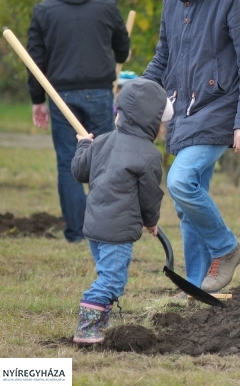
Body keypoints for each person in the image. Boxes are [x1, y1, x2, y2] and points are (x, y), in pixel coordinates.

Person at [142, 0, 240, 294]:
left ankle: (226, 248)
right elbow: (163, 58)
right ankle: (198, 288)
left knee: (181, 182)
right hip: (183, 113)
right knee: (187, 205)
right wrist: (137, 95)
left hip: (220, 109)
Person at [27, 0, 131, 243]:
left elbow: (34, 59)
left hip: (60, 96)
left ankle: (76, 233)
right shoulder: (106, 4)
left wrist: (37, 99)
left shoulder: (43, 10)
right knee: (104, 161)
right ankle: (104, 228)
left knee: (68, 162)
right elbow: (122, 48)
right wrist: (116, 56)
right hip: (99, 91)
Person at [70, 78, 173, 344]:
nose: (163, 128)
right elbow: (150, 195)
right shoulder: (148, 154)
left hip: (94, 227)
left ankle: (99, 324)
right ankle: (86, 328)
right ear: (151, 122)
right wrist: (151, 220)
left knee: (108, 276)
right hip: (117, 232)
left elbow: (79, 172)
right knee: (112, 281)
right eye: (162, 124)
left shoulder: (102, 142)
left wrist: (84, 145)